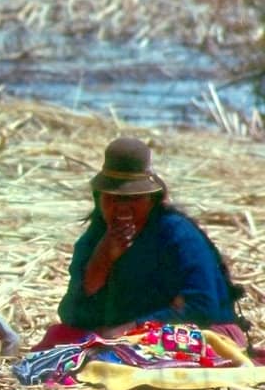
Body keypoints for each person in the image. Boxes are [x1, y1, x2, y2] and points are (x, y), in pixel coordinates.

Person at [33, 137, 250, 351]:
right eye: (112, 199)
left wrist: (133, 328)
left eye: (133, 199)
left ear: (152, 199)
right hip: (121, 335)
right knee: (58, 338)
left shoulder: (177, 234)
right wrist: (100, 265)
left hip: (198, 334)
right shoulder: (94, 239)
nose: (122, 210)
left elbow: (202, 308)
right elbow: (71, 314)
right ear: (98, 199)